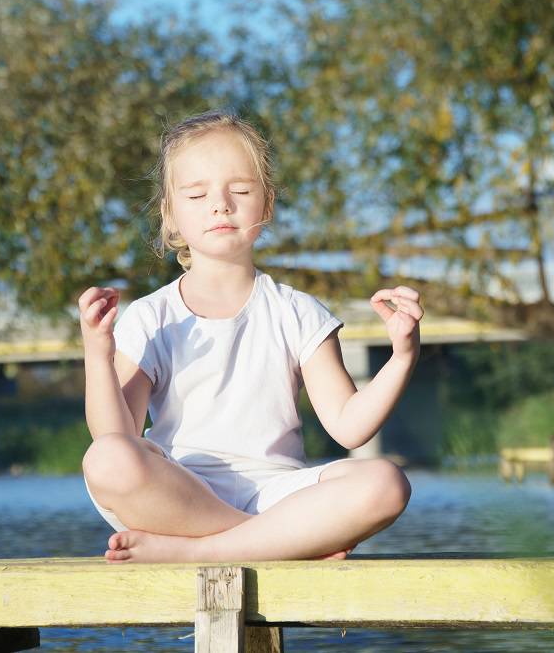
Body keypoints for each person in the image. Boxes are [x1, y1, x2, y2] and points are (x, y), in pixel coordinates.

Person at [77, 109, 423, 563]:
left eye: (239, 190)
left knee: (385, 483)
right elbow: (115, 432)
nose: (220, 204)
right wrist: (97, 355)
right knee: (105, 459)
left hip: (281, 494)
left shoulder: (298, 312)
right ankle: (282, 543)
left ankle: (198, 553)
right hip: (180, 494)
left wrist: (402, 355)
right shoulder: (150, 317)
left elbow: (350, 427)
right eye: (197, 195)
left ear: (267, 204)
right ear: (170, 216)